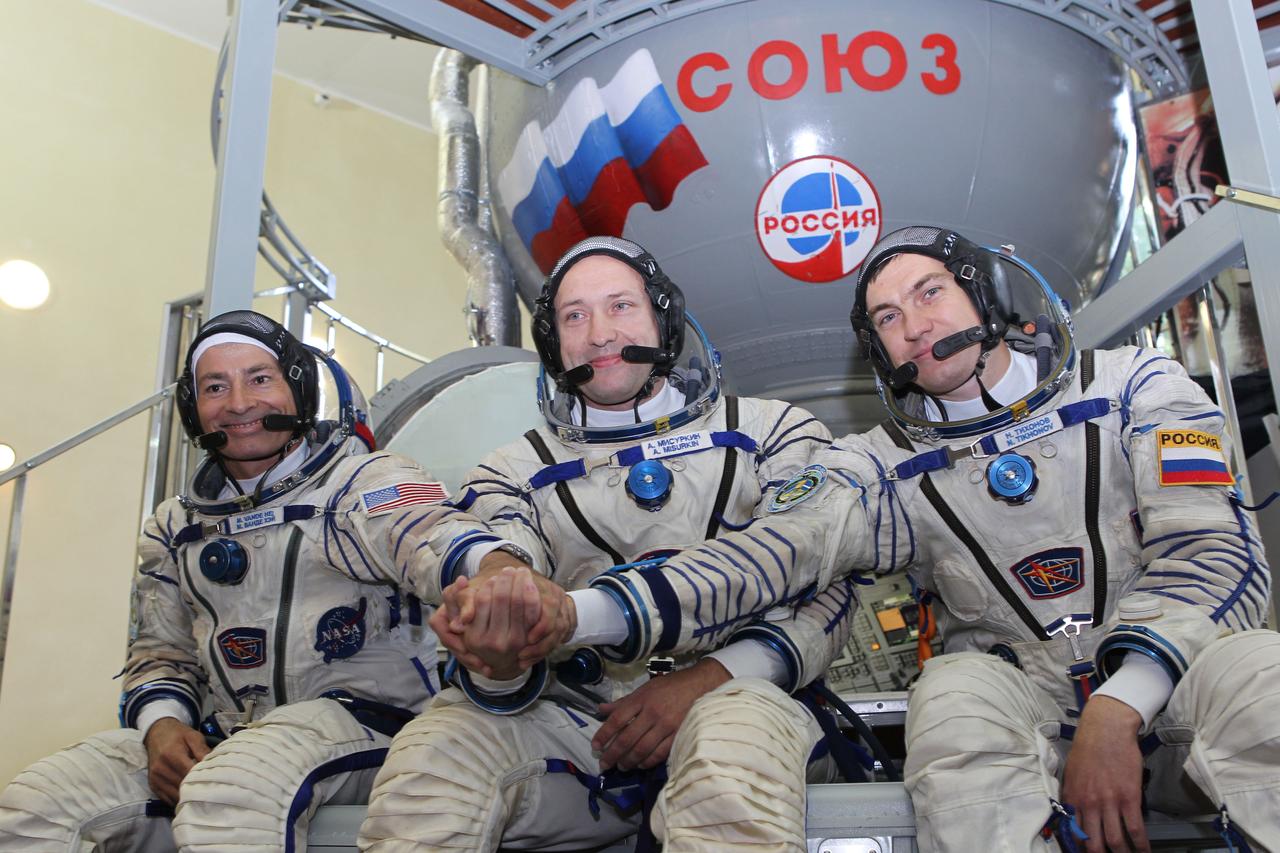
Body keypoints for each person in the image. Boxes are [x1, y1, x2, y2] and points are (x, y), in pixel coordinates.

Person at [493, 226, 1279, 852]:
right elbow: (770, 555)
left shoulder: (1134, 386)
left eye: (929, 292)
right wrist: (582, 614)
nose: (916, 325)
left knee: (1263, 674)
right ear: (879, 352)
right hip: (1018, 700)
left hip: (1178, 682)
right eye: (888, 319)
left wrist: (1118, 704)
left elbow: (1215, 555)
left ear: (988, 294)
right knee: (952, 694)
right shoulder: (879, 465)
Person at [358, 236, 859, 852]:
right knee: (435, 760)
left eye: (621, 306)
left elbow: (822, 585)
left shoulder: (773, 431)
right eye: (575, 316)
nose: (599, 334)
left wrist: (709, 678)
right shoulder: (512, 472)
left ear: (664, 320)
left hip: (753, 701)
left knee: (728, 755)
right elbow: (506, 564)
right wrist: (500, 639)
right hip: (586, 725)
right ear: (554, 345)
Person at [0, 310, 505, 852]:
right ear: (193, 408)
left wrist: (497, 572)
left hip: (375, 727)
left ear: (299, 391)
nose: (239, 403)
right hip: (234, 735)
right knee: (41, 803)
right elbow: (161, 653)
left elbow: (435, 537)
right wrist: (162, 727)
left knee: (231, 792)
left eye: (260, 378)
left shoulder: (364, 482)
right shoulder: (175, 526)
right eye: (215, 387)